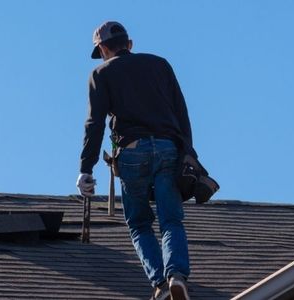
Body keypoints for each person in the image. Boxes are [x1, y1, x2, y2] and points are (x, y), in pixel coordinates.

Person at [76, 21, 192, 300]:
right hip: (168, 148)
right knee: (171, 220)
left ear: (103, 48)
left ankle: (161, 286)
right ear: (130, 44)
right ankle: (176, 275)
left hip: (131, 152)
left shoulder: (100, 73)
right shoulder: (160, 65)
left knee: (140, 224)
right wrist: (188, 152)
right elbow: (181, 112)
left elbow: (95, 124)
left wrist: (85, 169)